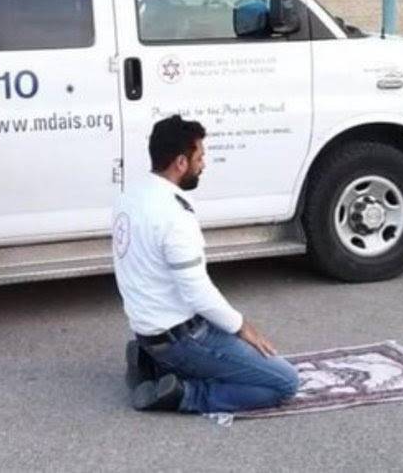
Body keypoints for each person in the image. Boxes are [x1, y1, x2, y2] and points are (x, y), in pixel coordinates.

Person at [112, 115, 300, 412]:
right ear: (180, 163)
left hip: (148, 330)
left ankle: (151, 362)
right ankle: (184, 394)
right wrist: (243, 328)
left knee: (235, 352)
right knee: (284, 382)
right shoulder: (175, 216)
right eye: (199, 156)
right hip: (183, 338)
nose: (204, 164)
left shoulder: (130, 196)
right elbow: (197, 293)